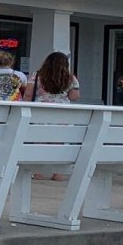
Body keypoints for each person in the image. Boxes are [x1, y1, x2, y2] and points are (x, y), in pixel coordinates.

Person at [23, 51, 80, 181]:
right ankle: (57, 173)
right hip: (62, 114)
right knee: (59, 143)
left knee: (39, 142)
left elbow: (28, 94)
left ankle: (37, 172)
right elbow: (74, 96)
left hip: (40, 112)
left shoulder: (37, 76)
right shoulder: (70, 78)